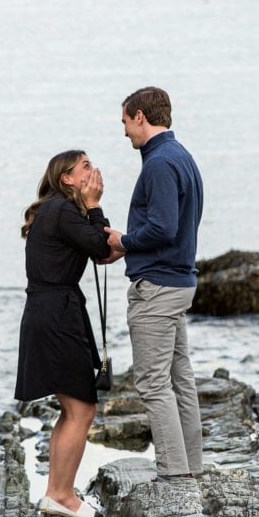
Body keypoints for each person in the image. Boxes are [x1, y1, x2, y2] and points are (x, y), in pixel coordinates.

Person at [104, 86, 205, 481]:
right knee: (180, 379)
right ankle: (190, 467)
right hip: (179, 280)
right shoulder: (181, 157)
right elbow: (172, 226)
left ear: (141, 117)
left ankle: (174, 472)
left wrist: (124, 241)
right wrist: (129, 246)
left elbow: (163, 227)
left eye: (126, 122)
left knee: (152, 382)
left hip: (159, 288)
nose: (125, 131)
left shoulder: (160, 163)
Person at [15, 149, 110, 517]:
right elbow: (101, 247)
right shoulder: (63, 210)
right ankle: (62, 495)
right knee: (82, 409)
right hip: (57, 315)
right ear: (67, 178)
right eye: (85, 165)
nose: (93, 169)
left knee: (71, 409)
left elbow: (98, 249)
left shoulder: (56, 211)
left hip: (50, 311)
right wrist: (95, 204)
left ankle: (57, 492)